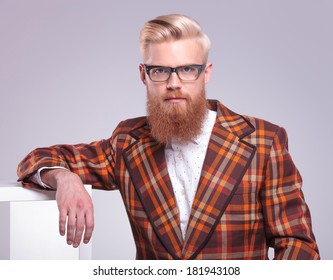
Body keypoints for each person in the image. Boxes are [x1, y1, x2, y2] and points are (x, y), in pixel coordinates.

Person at [17, 14, 320, 260]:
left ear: (206, 73)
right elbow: (37, 160)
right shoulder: (127, 143)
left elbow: (298, 245)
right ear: (143, 75)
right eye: (160, 71)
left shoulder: (263, 141)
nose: (174, 83)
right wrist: (64, 178)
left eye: (187, 69)